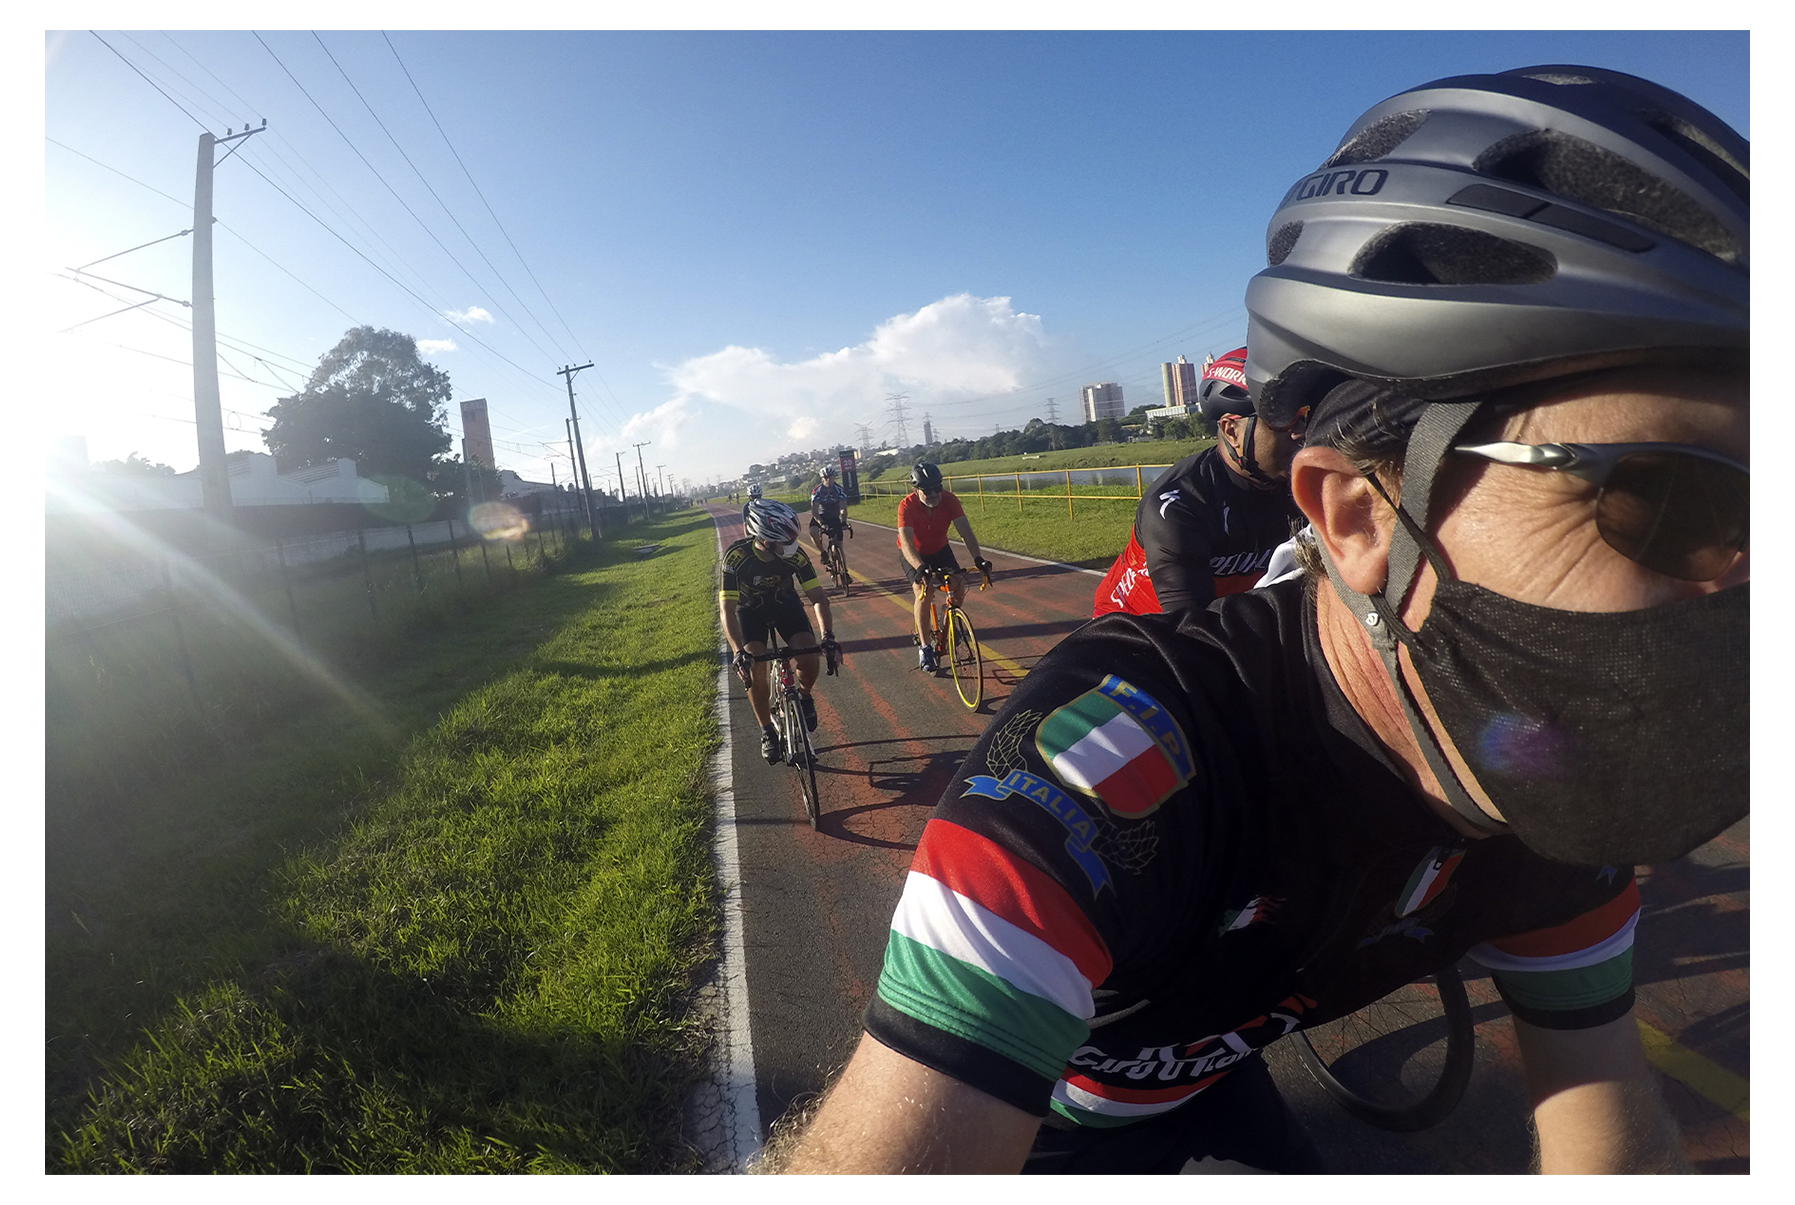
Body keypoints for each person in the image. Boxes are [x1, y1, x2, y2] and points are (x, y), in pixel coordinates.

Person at [762, 64, 1747, 1174]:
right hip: (1069, 1078)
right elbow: (1186, 612)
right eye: (1675, 500)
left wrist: (978, 556)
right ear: (1358, 513)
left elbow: (1605, 1116)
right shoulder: (1096, 769)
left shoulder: (1563, 782)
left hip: (1212, 1067)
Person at [1093, 348, 1307, 617]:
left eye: (1303, 416)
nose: (1300, 432)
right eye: (1283, 421)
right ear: (1232, 431)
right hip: (1137, 625)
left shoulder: (1303, 484)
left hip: (1230, 612)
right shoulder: (1179, 505)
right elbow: (1193, 627)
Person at [720, 499, 841, 764]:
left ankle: (805, 697)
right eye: (785, 542)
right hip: (749, 612)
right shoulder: (736, 558)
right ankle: (766, 730)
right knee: (754, 666)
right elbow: (726, 610)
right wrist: (738, 651)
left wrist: (828, 636)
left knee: (809, 656)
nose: (791, 546)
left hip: (785, 605)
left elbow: (818, 598)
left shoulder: (795, 555)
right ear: (764, 540)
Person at [897, 462, 992, 672]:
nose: (933, 494)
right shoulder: (906, 506)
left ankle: (948, 620)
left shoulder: (950, 500)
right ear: (915, 490)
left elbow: (966, 531)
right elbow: (906, 542)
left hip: (940, 550)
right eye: (927, 490)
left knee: (959, 586)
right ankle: (925, 648)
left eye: (937, 488)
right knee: (924, 591)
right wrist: (920, 567)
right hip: (915, 553)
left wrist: (979, 559)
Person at [809, 466, 852, 574]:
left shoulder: (839, 489)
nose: (829, 480)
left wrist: (843, 521)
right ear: (822, 479)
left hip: (833, 517)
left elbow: (843, 508)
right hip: (820, 517)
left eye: (831, 477)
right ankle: (823, 553)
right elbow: (814, 511)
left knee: (839, 545)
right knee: (813, 531)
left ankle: (845, 572)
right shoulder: (817, 491)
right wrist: (821, 523)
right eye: (826, 478)